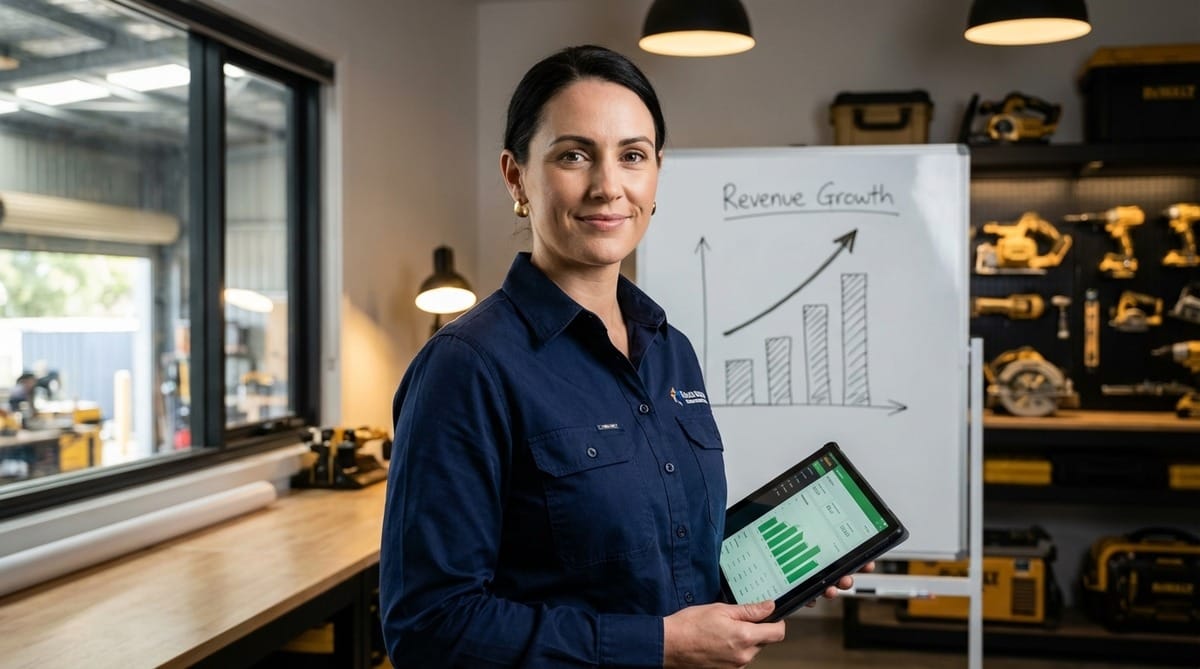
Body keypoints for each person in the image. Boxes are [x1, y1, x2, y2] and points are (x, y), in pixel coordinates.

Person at [380, 45, 865, 669]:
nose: (609, 186)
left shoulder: (671, 352)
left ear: (656, 173)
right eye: (574, 155)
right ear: (515, 176)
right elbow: (429, 628)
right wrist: (660, 646)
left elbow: (667, 568)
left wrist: (785, 567)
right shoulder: (465, 367)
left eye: (632, 156)